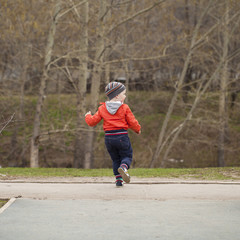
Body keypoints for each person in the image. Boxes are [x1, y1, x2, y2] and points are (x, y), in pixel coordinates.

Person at [85, 82, 141, 187]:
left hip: (109, 138)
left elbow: (92, 122)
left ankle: (119, 180)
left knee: (115, 159)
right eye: (124, 94)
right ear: (117, 95)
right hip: (122, 136)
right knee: (127, 156)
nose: (125, 96)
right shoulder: (124, 108)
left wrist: (88, 116)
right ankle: (124, 168)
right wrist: (137, 130)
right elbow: (132, 122)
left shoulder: (102, 108)